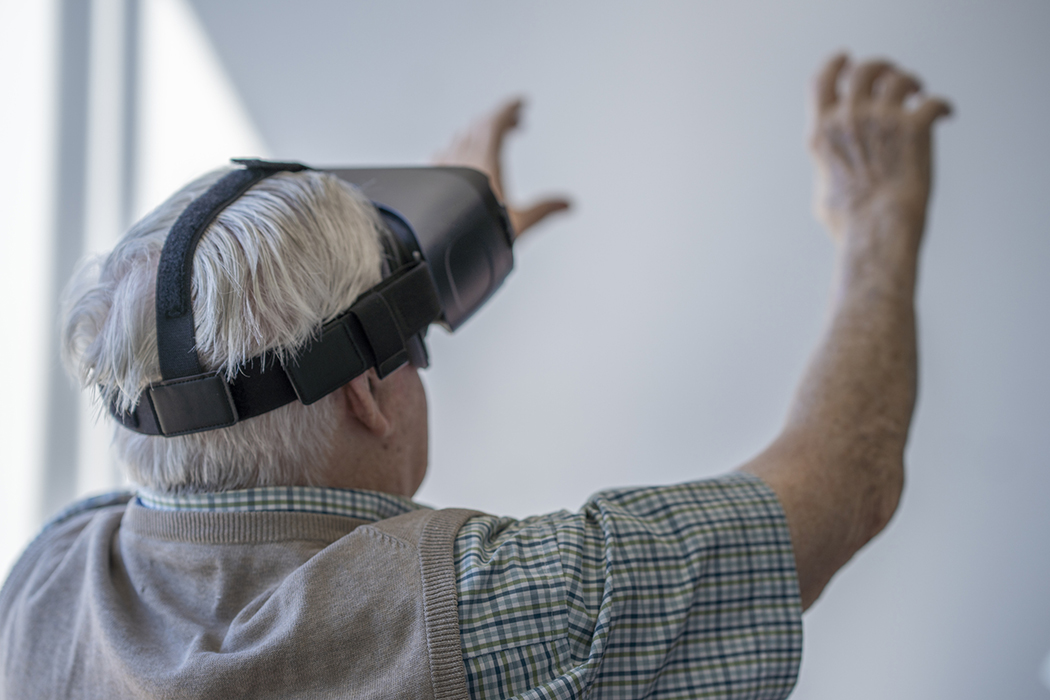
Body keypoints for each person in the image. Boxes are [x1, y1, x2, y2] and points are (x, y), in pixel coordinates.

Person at [0, 54, 951, 699]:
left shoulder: (45, 578)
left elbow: (258, 398)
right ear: (366, 394)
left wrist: (408, 298)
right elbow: (845, 484)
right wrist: (873, 226)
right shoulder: (492, 611)